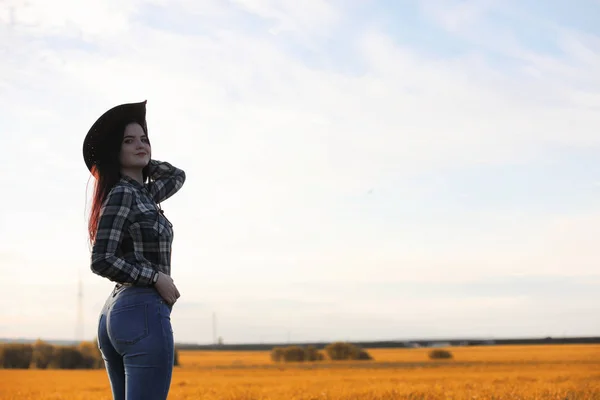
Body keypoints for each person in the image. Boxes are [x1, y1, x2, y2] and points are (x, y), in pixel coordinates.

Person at [83, 100, 186, 400]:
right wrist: (156, 277)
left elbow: (177, 176)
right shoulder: (124, 194)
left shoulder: (143, 194)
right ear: (115, 151)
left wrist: (142, 160)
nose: (141, 145)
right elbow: (102, 259)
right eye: (129, 141)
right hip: (141, 310)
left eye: (144, 139)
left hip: (119, 313)